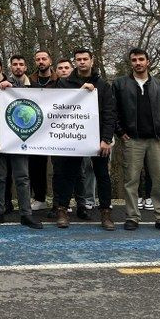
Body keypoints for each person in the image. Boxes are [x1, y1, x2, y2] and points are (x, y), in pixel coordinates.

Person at [0, 53, 43, 229]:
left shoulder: (16, 84)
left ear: (1, 66)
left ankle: (26, 214)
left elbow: (32, 104)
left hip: (17, 139)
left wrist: (12, 86)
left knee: (22, 177)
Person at [52, 48, 117, 231]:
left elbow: (109, 113)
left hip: (98, 140)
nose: (82, 62)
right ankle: (62, 210)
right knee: (68, 175)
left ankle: (105, 212)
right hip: (74, 137)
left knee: (102, 176)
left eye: (85, 59)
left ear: (92, 61)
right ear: (75, 62)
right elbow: (59, 108)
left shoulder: (103, 85)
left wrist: (106, 139)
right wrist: (80, 92)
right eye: (78, 59)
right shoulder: (64, 84)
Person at [114, 48, 160, 232]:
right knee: (131, 180)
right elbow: (114, 110)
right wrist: (120, 131)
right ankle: (132, 217)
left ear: (148, 61)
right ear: (130, 62)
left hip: (157, 140)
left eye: (141, 59)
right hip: (133, 139)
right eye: (134, 60)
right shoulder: (120, 84)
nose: (138, 62)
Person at [28, 50, 57, 211]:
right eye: (38, 59)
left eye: (44, 58)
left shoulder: (59, 80)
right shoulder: (30, 80)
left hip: (56, 127)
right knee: (36, 166)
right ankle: (39, 198)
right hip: (36, 128)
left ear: (50, 61)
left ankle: (59, 201)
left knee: (58, 166)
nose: (41, 61)